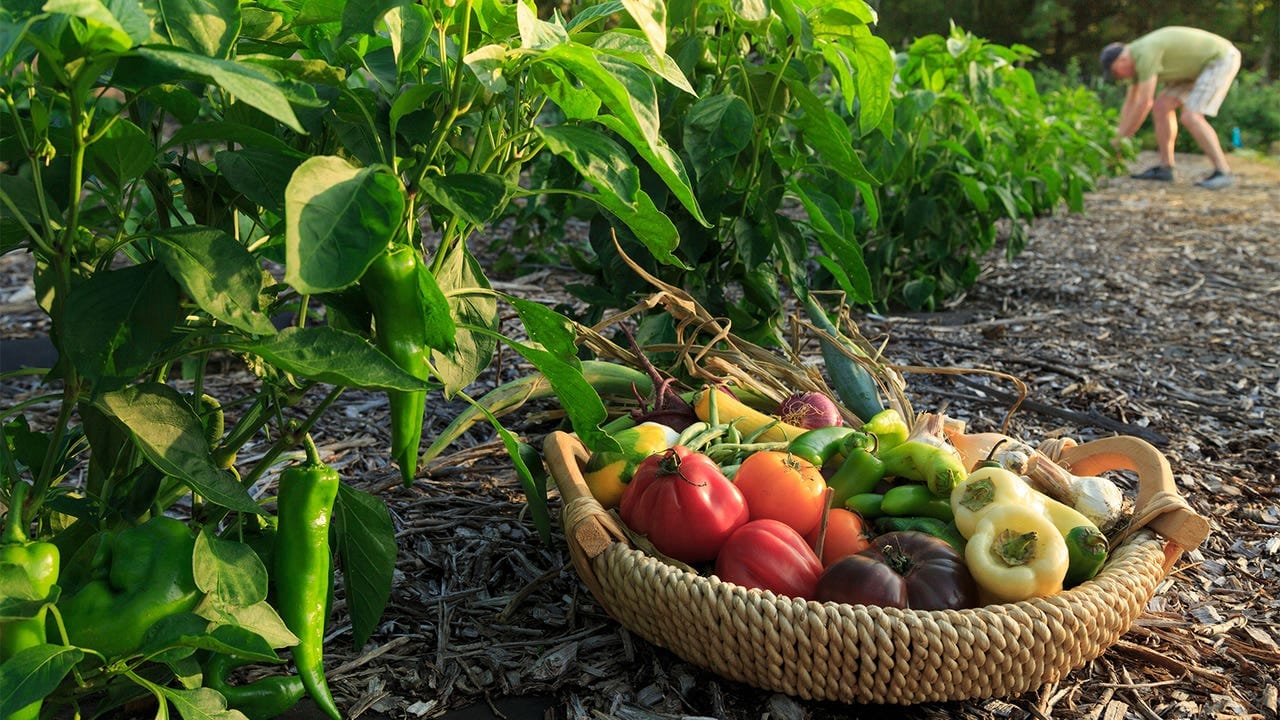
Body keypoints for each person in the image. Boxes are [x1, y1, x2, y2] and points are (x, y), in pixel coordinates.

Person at [1100, 27, 1242, 189]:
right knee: (1162, 106)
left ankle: (1223, 171)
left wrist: (1121, 140)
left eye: (1115, 73)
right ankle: (1166, 168)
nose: (1119, 77)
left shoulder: (1144, 53)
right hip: (1195, 69)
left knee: (1191, 116)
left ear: (1121, 60)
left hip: (1220, 59)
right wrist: (1119, 134)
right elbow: (1130, 102)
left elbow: (1144, 103)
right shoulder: (1136, 57)